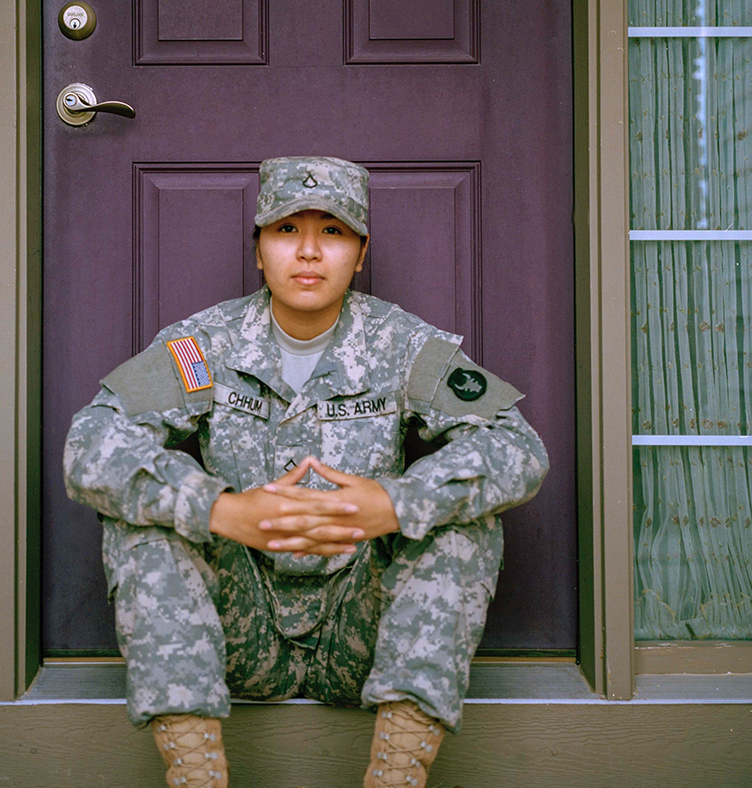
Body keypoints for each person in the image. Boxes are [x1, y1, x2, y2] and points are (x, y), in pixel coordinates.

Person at [63, 156, 549, 788]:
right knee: (143, 527)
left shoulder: (403, 346)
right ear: (259, 250)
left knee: (464, 527)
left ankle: (396, 774)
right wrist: (223, 510)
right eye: (287, 231)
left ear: (361, 251)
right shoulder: (203, 347)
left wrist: (394, 503)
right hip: (238, 627)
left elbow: (517, 444)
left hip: (367, 631)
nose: (310, 252)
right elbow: (92, 440)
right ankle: (196, 777)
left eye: (334, 232)